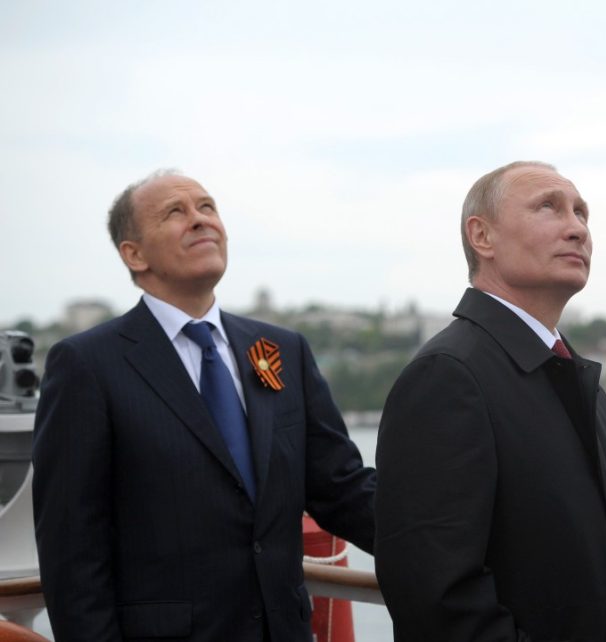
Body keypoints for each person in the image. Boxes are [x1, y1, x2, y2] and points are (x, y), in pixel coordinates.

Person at [373, 160, 606, 641]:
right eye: (549, 207)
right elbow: (439, 602)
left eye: (582, 213)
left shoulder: (568, 372)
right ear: (482, 237)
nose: (577, 228)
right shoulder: (448, 377)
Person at [32, 170, 377, 642]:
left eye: (207, 207)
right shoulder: (87, 365)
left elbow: (341, 489)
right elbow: (72, 552)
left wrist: (457, 537)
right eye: (175, 212)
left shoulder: (282, 349)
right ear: (133, 254)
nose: (200, 220)